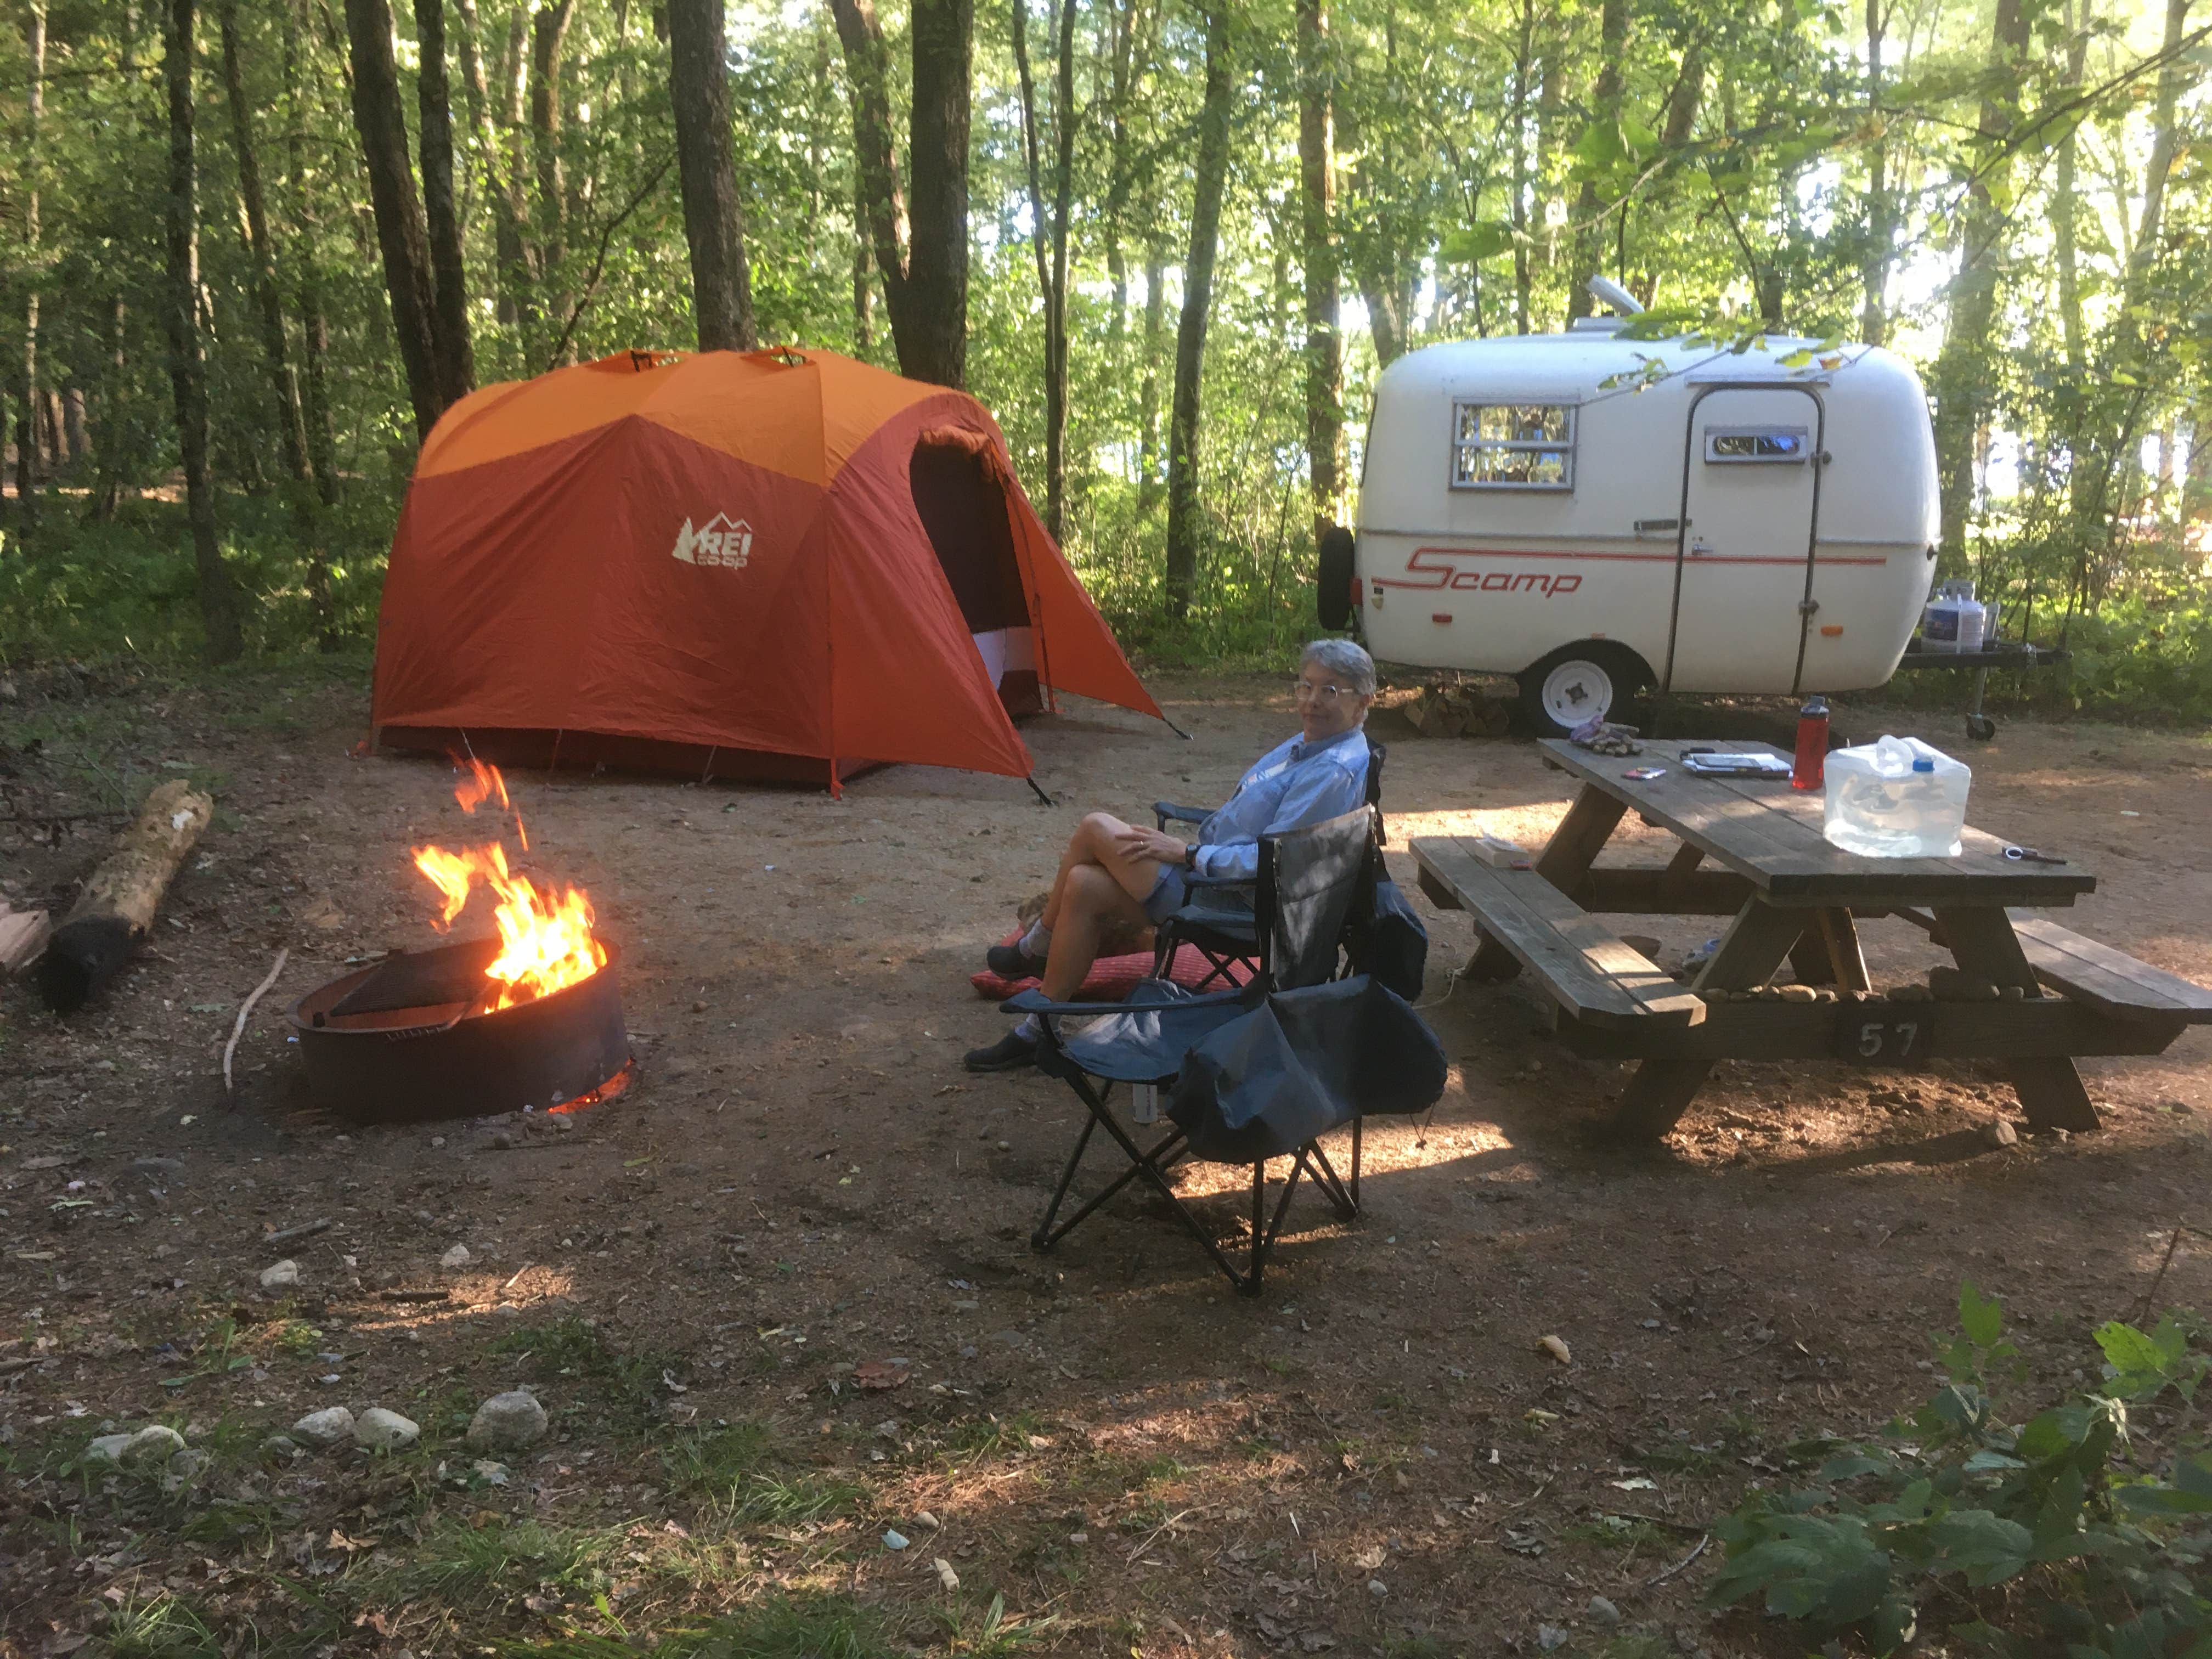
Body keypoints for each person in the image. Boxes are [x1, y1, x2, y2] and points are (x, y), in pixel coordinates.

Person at [963, 638, 1378, 1073]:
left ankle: (1033, 950)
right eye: (1306, 686)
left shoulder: (1332, 769)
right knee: (1083, 885)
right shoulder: (1310, 743)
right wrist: (1191, 852)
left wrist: (1189, 854)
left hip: (1237, 903)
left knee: (1095, 827)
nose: (1312, 701)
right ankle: (1036, 1031)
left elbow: (1274, 862)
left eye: (1330, 690)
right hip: (1216, 879)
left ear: (1363, 701)